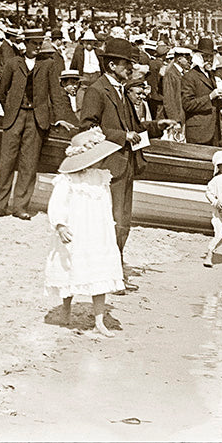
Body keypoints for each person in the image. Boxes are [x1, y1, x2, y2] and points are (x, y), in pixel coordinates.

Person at [78, 37, 174, 285]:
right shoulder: (97, 91)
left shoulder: (119, 91)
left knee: (123, 223)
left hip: (126, 164)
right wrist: (123, 136)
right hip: (109, 166)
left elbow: (134, 128)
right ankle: (110, 274)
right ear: (111, 65)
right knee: (113, 221)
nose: (130, 68)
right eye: (126, 64)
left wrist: (156, 127)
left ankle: (114, 271)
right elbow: (88, 128)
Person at [45, 128, 126, 337]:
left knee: (100, 270)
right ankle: (66, 308)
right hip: (77, 229)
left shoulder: (101, 177)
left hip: (97, 230)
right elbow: (57, 204)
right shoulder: (68, 179)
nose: (100, 161)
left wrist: (109, 225)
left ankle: (99, 320)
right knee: (71, 267)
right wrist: (60, 225)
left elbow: (105, 204)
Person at [0, 28, 73, 221]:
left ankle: (20, 207)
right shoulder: (13, 63)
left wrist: (60, 117)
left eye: (39, 43)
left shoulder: (48, 65)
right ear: (25, 44)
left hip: (37, 119)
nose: (37, 47)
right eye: (34, 43)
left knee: (29, 164)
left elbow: (56, 94)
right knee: (6, 162)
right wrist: (11, 110)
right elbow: (1, 92)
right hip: (15, 117)